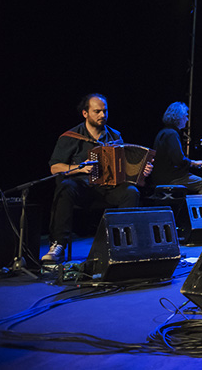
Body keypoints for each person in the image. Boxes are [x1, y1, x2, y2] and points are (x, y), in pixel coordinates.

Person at [43, 93, 152, 264]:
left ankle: (123, 243)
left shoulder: (115, 136)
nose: (103, 115)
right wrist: (80, 168)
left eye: (105, 111)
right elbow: (55, 167)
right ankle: (58, 244)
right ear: (85, 113)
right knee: (65, 187)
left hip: (108, 189)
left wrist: (141, 171)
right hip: (82, 188)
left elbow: (126, 168)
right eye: (97, 111)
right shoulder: (71, 137)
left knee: (131, 192)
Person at [149, 102, 202, 195]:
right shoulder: (172, 134)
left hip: (159, 176)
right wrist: (194, 163)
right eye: (185, 116)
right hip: (171, 178)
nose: (187, 120)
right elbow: (179, 160)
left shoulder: (163, 132)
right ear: (178, 117)